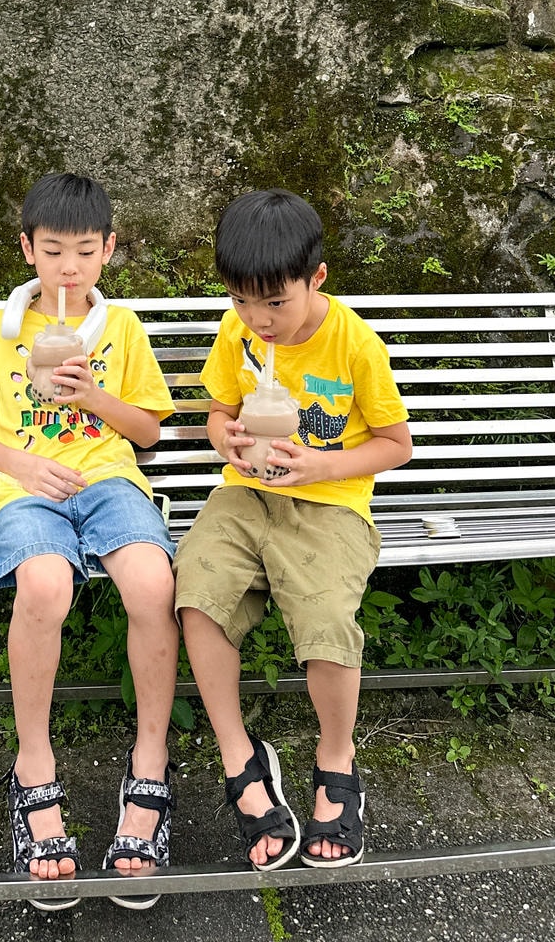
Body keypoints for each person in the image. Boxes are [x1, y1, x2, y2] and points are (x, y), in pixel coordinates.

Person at [0, 172, 178, 910]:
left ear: (108, 250)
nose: (69, 268)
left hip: (110, 482)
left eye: (84, 251)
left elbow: (147, 432)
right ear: (28, 249)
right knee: (45, 584)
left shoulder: (123, 331)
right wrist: (22, 465)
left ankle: (150, 763)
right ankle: (34, 769)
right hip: (24, 487)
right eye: (53, 251)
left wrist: (92, 394)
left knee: (152, 583)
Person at [173, 188, 412, 872]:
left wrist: (319, 465)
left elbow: (397, 445)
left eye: (275, 301)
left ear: (317, 279)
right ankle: (239, 757)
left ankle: (336, 760)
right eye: (244, 301)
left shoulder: (354, 344)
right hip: (246, 496)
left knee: (327, 618)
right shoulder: (239, 333)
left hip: (330, 504)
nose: (259, 318)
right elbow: (218, 415)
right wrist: (229, 442)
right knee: (195, 593)